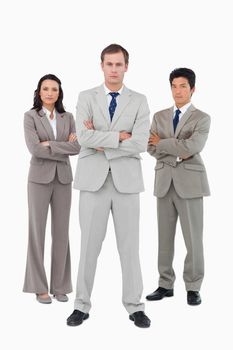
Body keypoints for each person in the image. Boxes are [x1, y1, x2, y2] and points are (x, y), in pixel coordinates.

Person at [66, 44, 151, 328]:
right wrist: (117, 137)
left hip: (127, 183)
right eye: (109, 64)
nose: (114, 69)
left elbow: (140, 142)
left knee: (130, 248)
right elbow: (83, 138)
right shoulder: (86, 97)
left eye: (119, 64)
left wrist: (101, 139)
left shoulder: (139, 100)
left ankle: (134, 306)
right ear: (101, 65)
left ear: (127, 66)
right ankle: (81, 305)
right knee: (88, 246)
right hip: (93, 182)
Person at [146, 68, 210, 306]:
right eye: (174, 86)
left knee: (193, 238)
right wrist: (176, 152)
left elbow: (192, 147)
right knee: (164, 238)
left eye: (183, 86)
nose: (178, 91)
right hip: (163, 182)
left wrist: (163, 143)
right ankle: (165, 284)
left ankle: (193, 286)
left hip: (191, 184)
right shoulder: (159, 116)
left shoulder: (202, 118)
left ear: (192, 89)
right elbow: (149, 147)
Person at [23, 74, 80, 304]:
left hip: (63, 179)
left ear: (59, 93)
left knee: (62, 233)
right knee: (37, 232)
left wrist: (51, 144)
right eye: (45, 89)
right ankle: (39, 286)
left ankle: (60, 286)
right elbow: (34, 149)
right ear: (38, 92)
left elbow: (76, 146)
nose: (49, 93)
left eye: (54, 89)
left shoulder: (68, 117)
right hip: (38, 179)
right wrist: (62, 146)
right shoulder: (30, 117)